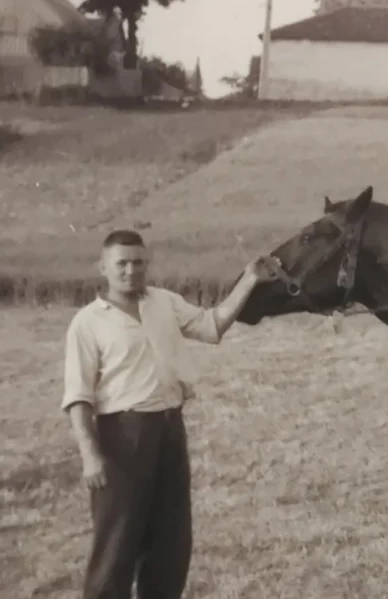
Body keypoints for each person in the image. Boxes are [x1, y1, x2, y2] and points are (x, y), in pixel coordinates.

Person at [61, 229, 278, 599]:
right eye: (122, 264)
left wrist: (250, 279)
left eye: (139, 262)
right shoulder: (88, 322)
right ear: (103, 268)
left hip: (170, 430)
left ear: (148, 263)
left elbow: (212, 326)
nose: (131, 271)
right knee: (118, 543)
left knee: (171, 542)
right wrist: (89, 454)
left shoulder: (164, 302)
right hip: (122, 437)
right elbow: (78, 396)